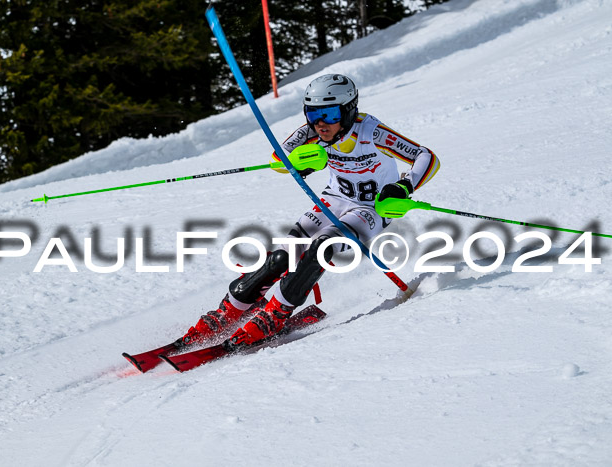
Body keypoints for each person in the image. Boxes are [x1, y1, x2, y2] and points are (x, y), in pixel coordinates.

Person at [174, 73, 440, 352]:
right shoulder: (311, 132)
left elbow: (426, 156)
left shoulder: (371, 132)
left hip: (372, 208)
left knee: (322, 246)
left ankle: (277, 313)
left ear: (349, 110)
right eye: (313, 114)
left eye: (329, 114)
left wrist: (403, 186)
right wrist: (299, 162)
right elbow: (278, 159)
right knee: (283, 256)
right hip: (335, 200)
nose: (320, 123)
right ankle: (230, 310)